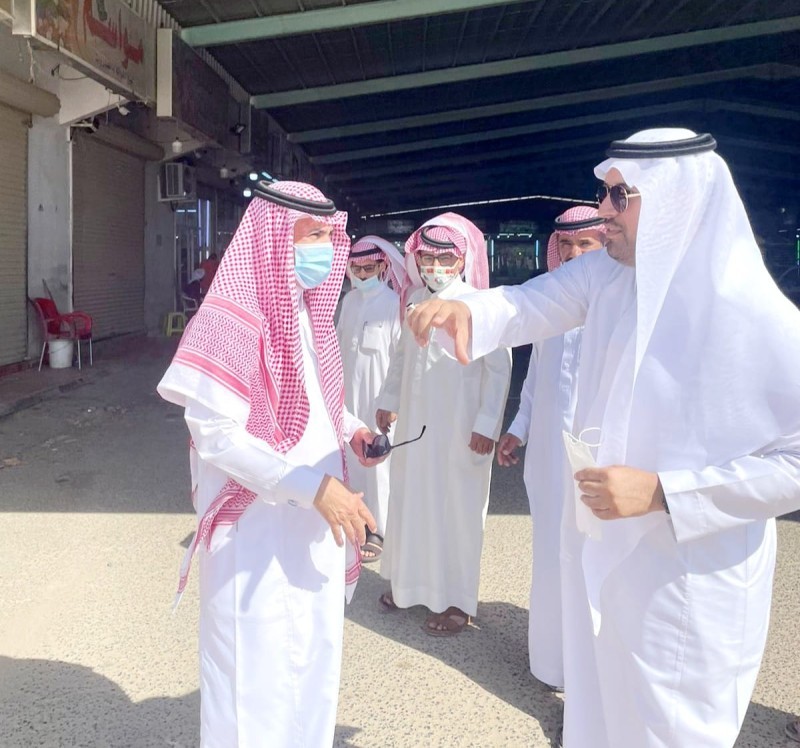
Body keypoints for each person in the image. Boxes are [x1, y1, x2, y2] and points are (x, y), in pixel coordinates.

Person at [407, 129, 800, 747]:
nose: (604, 211)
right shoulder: (605, 276)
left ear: (676, 202)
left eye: (621, 197)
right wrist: (469, 311)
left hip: (687, 580)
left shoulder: (758, 318)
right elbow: (529, 304)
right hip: (601, 549)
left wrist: (666, 493)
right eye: (604, 194)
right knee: (597, 717)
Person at [157, 181, 384, 747]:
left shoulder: (305, 312)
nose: (325, 249)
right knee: (253, 679)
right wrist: (311, 487)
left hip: (312, 525)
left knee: (310, 662)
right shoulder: (229, 319)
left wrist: (353, 429)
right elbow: (216, 437)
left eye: (329, 236)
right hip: (254, 533)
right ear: (275, 239)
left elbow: (316, 397)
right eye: (313, 235)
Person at [375, 213, 511, 636]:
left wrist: (487, 424)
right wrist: (389, 400)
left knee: (456, 511)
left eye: (445, 259)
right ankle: (407, 586)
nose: (435, 266)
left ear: (462, 261)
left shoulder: (480, 305)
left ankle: (456, 602)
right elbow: (401, 357)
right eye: (428, 258)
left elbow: (499, 369)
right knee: (411, 500)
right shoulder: (414, 299)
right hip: (415, 426)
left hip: (460, 427)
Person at [497, 206, 605, 691]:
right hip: (547, 453)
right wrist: (518, 428)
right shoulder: (549, 299)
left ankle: (591, 671)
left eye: (587, 244)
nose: (576, 254)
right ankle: (551, 661)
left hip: (597, 456)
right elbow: (537, 376)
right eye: (568, 245)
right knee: (551, 551)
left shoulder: (619, 299)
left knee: (590, 557)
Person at [336, 236, 406, 562]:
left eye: (368, 268)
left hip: (380, 401)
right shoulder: (348, 302)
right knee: (352, 460)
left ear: (382, 266)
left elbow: (402, 358)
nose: (362, 275)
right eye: (357, 269)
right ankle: (357, 521)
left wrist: (393, 401)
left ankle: (379, 529)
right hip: (349, 398)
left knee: (380, 466)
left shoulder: (393, 304)